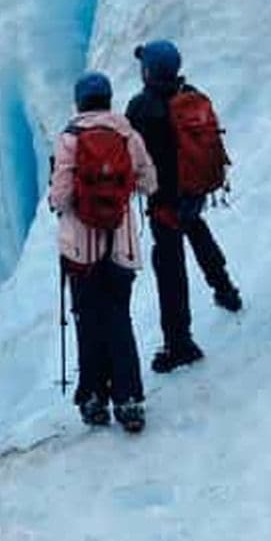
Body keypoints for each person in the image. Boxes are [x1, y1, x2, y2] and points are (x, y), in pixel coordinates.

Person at [126, 40, 242, 375]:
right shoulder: (190, 94)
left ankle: (179, 343)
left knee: (170, 268)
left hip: (164, 201)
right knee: (198, 229)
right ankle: (225, 289)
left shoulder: (142, 108)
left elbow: (131, 154)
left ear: (148, 71)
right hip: (193, 190)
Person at [50, 71, 157, 433]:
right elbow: (148, 182)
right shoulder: (127, 135)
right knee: (118, 319)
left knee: (88, 319)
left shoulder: (69, 139)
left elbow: (60, 195)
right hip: (120, 247)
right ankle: (129, 400)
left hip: (81, 250)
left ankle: (93, 398)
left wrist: (61, 203)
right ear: (108, 99)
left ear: (79, 101)